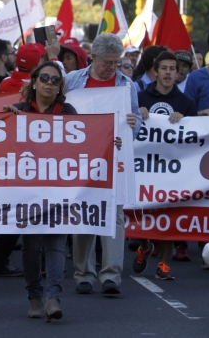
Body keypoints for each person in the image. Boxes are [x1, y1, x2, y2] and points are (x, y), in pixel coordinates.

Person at [1, 61, 79, 321]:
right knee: (32, 246)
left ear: (60, 88)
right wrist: (7, 121)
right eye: (44, 77)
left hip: (58, 188)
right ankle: (34, 297)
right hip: (27, 191)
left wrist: (112, 137)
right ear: (34, 82)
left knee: (57, 244)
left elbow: (86, 143)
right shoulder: (18, 110)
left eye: (55, 80)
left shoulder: (68, 112)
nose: (49, 82)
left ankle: (53, 298)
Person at [65, 33, 141, 296]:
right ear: (93, 57)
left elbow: (137, 124)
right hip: (81, 159)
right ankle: (83, 274)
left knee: (114, 214)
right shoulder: (72, 81)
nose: (112, 67)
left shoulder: (127, 85)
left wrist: (133, 123)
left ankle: (111, 275)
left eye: (117, 62)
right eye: (108, 62)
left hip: (114, 157)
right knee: (83, 213)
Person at [132, 51, 197, 281]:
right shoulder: (139, 97)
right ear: (155, 71)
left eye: (173, 69)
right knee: (142, 211)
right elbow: (126, 126)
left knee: (168, 216)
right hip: (145, 168)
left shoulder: (186, 103)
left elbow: (196, 137)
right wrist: (137, 116)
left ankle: (164, 264)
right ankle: (144, 245)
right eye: (164, 68)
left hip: (172, 169)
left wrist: (186, 121)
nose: (169, 73)